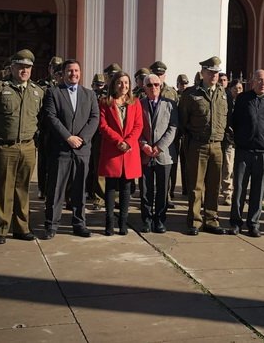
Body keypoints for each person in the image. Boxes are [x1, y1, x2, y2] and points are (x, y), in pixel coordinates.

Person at [0, 49, 44, 244]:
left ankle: (22, 228)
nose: (24, 70)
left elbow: (40, 119)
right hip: (5, 147)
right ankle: (1, 229)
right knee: (3, 190)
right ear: (12, 67)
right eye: (20, 66)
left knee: (23, 190)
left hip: (28, 146)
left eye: (28, 67)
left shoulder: (37, 91)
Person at [42, 59, 99, 239]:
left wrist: (82, 138)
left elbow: (95, 118)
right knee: (56, 189)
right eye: (70, 71)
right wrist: (68, 137)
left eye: (76, 71)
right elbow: (51, 117)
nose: (73, 74)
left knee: (80, 189)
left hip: (82, 149)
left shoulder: (89, 94)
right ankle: (51, 225)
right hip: (61, 148)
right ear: (63, 73)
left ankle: (79, 223)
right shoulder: (53, 92)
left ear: (80, 73)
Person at [178, 56, 228, 236]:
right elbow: (183, 121)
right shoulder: (191, 94)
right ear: (203, 73)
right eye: (210, 72)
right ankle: (194, 221)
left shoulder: (223, 93)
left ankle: (211, 220)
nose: (214, 75)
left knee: (214, 186)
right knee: (196, 186)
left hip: (217, 145)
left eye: (216, 72)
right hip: (198, 144)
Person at [229, 70, 264, 237]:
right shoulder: (243, 99)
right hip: (244, 151)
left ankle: (253, 223)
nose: (263, 83)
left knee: (258, 190)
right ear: (252, 82)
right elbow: (235, 121)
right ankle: (236, 222)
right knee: (239, 188)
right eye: (259, 80)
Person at [98, 71, 143, 236]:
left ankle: (123, 222)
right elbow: (103, 126)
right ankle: (109, 222)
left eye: (126, 83)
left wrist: (128, 142)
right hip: (113, 149)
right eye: (120, 82)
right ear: (114, 85)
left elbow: (138, 125)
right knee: (110, 187)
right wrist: (118, 141)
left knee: (126, 188)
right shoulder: (105, 102)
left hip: (129, 150)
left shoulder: (135, 102)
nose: (123, 86)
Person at [139, 74, 178, 233]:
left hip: (164, 154)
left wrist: (160, 146)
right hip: (145, 153)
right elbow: (135, 127)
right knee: (145, 190)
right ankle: (147, 220)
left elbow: (173, 127)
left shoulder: (170, 104)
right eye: (150, 85)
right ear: (144, 88)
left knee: (162, 189)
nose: (153, 87)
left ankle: (160, 220)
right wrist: (144, 145)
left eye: (156, 84)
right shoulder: (139, 104)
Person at [36, 56, 64, 200]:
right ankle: (42, 188)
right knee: (43, 160)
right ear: (49, 68)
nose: (56, 70)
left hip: (59, 128)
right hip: (45, 127)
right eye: (54, 67)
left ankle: (55, 189)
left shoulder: (64, 84)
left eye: (59, 68)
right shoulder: (41, 84)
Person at [87, 73, 108, 210]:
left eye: (101, 85)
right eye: (96, 85)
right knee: (90, 167)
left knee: (100, 168)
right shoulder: (88, 96)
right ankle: (91, 193)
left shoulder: (107, 98)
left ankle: (100, 198)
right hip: (89, 135)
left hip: (101, 135)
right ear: (92, 85)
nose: (99, 88)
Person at [220, 80, 242, 206]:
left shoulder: (244, 102)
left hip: (240, 141)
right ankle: (226, 192)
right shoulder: (226, 101)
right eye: (235, 88)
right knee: (227, 167)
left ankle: (233, 192)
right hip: (228, 139)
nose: (238, 91)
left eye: (240, 88)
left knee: (235, 169)